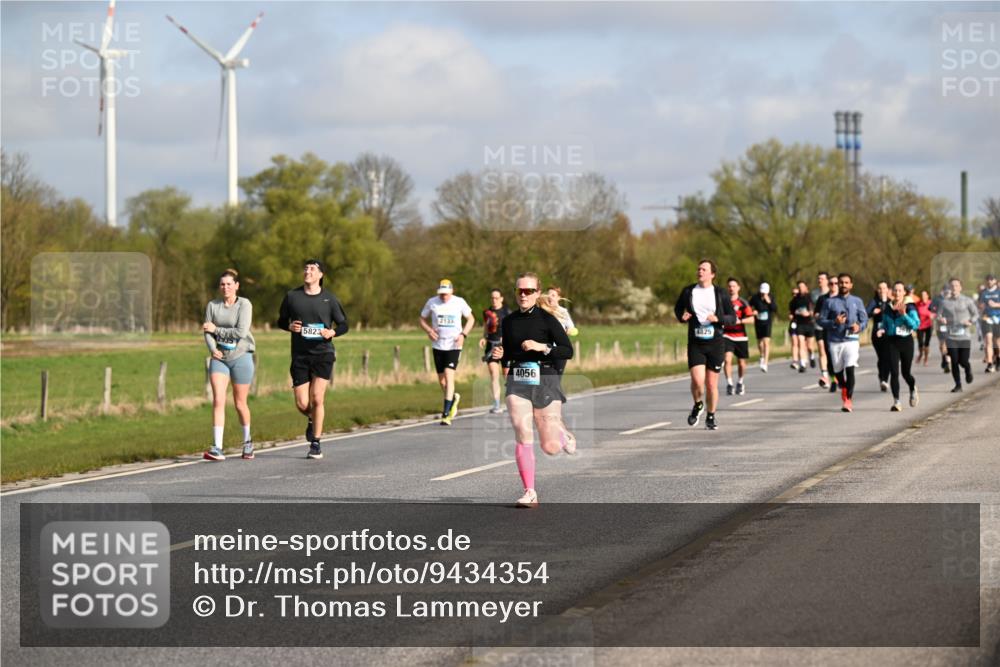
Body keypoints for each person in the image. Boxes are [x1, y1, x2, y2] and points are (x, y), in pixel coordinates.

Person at [491, 272, 574, 507]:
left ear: (537, 293)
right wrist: (500, 355)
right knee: (522, 430)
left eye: (529, 291)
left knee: (550, 447)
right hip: (518, 379)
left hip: (546, 377)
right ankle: (530, 491)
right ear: (515, 293)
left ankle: (561, 433)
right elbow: (508, 353)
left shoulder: (547, 320)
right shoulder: (508, 322)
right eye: (520, 291)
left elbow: (567, 351)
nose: (524, 295)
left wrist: (542, 347)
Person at [277, 259, 349, 460]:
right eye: (306, 268)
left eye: (312, 269)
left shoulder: (329, 299)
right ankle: (311, 418)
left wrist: (331, 332)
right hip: (300, 355)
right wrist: (289, 327)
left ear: (320, 275)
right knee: (302, 403)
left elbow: (344, 324)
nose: (307, 271)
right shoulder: (292, 296)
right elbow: (281, 320)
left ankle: (316, 443)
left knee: (317, 398)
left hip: (323, 353)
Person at [674, 259, 737, 430]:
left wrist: (718, 319)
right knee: (697, 380)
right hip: (696, 342)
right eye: (699, 268)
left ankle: (711, 415)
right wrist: (682, 317)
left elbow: (733, 318)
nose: (700, 271)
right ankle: (698, 404)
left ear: (712, 274)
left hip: (715, 343)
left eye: (704, 269)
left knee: (711, 384)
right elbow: (678, 308)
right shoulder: (688, 291)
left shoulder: (720, 293)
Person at [202, 269, 256, 461]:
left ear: (236, 286)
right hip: (220, 358)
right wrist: (212, 348)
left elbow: (241, 332)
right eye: (222, 284)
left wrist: (217, 329)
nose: (226, 287)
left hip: (242, 356)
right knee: (218, 399)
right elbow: (206, 331)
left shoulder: (244, 304)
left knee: (240, 403)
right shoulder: (212, 305)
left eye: (229, 284)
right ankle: (217, 447)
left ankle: (247, 442)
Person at [420, 279, 475, 425]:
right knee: (442, 381)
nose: (444, 296)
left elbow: (471, 319)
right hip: (438, 345)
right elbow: (422, 319)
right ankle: (453, 398)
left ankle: (446, 413)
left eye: (446, 293)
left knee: (449, 375)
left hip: (454, 345)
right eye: (441, 294)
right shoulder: (432, 302)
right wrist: (429, 330)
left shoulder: (459, 302)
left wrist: (463, 334)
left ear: (452, 291)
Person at [818, 273, 868, 413]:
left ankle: (848, 400)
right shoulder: (829, 302)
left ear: (851, 285)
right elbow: (820, 321)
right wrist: (834, 322)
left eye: (846, 282)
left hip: (851, 340)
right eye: (841, 282)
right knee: (838, 371)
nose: (844, 285)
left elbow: (864, 320)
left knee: (850, 368)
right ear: (838, 284)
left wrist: (859, 327)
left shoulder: (857, 301)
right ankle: (844, 388)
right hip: (835, 341)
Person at [876, 281, 920, 411]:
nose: (897, 293)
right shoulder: (888, 307)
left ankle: (912, 388)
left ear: (904, 293)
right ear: (892, 292)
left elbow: (916, 325)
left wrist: (904, 315)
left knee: (906, 373)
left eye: (900, 290)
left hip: (906, 342)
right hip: (891, 342)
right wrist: (882, 329)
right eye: (895, 290)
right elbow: (884, 323)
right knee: (894, 372)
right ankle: (897, 402)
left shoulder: (910, 306)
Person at [938, 277, 979, 392]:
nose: (954, 288)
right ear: (949, 288)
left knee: (963, 361)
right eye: (952, 286)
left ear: (960, 287)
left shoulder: (967, 300)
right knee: (954, 361)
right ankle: (958, 385)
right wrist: (941, 319)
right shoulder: (944, 302)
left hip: (964, 336)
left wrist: (970, 321)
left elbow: (976, 314)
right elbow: (938, 315)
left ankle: (968, 369)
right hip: (951, 336)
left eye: (956, 285)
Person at [480, 289, 511, 414]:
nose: (494, 300)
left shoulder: (507, 312)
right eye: (492, 298)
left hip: (505, 347)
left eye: (496, 298)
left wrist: (507, 338)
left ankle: (511, 401)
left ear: (501, 299)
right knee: (494, 374)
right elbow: (486, 327)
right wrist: (483, 337)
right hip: (491, 346)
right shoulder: (487, 312)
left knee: (507, 376)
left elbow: (512, 328)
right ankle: (497, 403)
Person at [722, 277, 755, 395]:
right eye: (729, 286)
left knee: (741, 363)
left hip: (741, 336)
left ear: (738, 288)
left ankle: (740, 382)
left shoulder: (743, 302)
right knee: (727, 359)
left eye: (733, 286)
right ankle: (729, 384)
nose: (731, 288)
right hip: (727, 335)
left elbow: (751, 319)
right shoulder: (723, 302)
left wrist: (739, 321)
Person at [544, 286, 578, 375]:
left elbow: (573, 329)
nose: (550, 297)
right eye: (548, 295)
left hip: (559, 350)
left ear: (558, 298)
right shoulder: (542, 311)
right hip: (544, 350)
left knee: (556, 379)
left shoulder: (563, 312)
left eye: (553, 295)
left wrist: (568, 331)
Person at [814, 274, 839, 391]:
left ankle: (839, 377)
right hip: (826, 330)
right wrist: (819, 317)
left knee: (838, 357)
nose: (833, 286)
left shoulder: (842, 298)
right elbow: (816, 314)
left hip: (840, 332)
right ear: (828, 285)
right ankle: (832, 379)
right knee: (828, 356)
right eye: (831, 284)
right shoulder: (822, 298)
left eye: (836, 283)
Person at [867, 281, 892, 392]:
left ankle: (884, 380)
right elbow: (866, 313)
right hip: (876, 334)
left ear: (887, 290)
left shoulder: (891, 302)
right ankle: (882, 376)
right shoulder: (874, 302)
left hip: (889, 334)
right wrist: (873, 312)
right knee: (881, 357)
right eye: (880, 288)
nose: (882, 290)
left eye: (884, 288)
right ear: (877, 290)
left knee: (887, 357)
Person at [749, 282, 777, 372]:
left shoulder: (771, 297)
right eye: (762, 292)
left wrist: (769, 301)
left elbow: (775, 309)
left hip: (767, 323)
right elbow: (749, 307)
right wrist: (753, 311)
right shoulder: (755, 298)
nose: (763, 294)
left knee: (766, 342)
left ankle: (765, 363)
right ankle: (761, 355)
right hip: (758, 322)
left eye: (765, 292)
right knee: (760, 343)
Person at [788, 281, 815, 373]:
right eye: (799, 287)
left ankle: (811, 356)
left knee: (810, 346)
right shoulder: (795, 300)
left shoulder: (810, 298)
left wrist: (809, 313)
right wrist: (792, 315)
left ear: (806, 288)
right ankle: (803, 364)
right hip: (800, 324)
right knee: (800, 343)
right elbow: (792, 312)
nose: (800, 289)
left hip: (809, 323)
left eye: (802, 287)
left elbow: (814, 310)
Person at [979, 273, 1000, 373]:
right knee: (988, 340)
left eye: (991, 279)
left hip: (998, 319)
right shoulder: (983, 293)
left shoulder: (999, 291)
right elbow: (980, 304)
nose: (989, 281)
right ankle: (990, 363)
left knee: (997, 343)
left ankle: (998, 359)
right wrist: (981, 307)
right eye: (988, 279)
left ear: (995, 281)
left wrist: (996, 304)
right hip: (987, 319)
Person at [812, 272, 831, 379]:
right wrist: (815, 314)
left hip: (831, 327)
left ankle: (834, 374)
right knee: (821, 349)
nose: (820, 280)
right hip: (819, 326)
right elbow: (812, 308)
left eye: (822, 278)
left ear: (827, 281)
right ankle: (824, 375)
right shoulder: (814, 294)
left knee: (831, 351)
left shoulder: (833, 293)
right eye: (819, 278)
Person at [929, 284, 952, 374]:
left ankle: (947, 361)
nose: (947, 293)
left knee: (949, 343)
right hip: (941, 324)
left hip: (951, 324)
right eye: (945, 291)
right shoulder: (937, 299)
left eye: (948, 291)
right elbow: (931, 309)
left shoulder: (953, 299)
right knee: (942, 343)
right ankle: (945, 359)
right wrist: (937, 315)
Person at [915, 289, 935, 366]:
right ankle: (920, 354)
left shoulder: (931, 303)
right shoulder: (918, 304)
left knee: (926, 344)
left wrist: (932, 315)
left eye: (924, 295)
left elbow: (935, 312)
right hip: (919, 326)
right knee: (920, 343)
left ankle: (926, 358)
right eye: (921, 295)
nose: (923, 296)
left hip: (928, 326)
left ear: (927, 296)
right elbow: (913, 311)